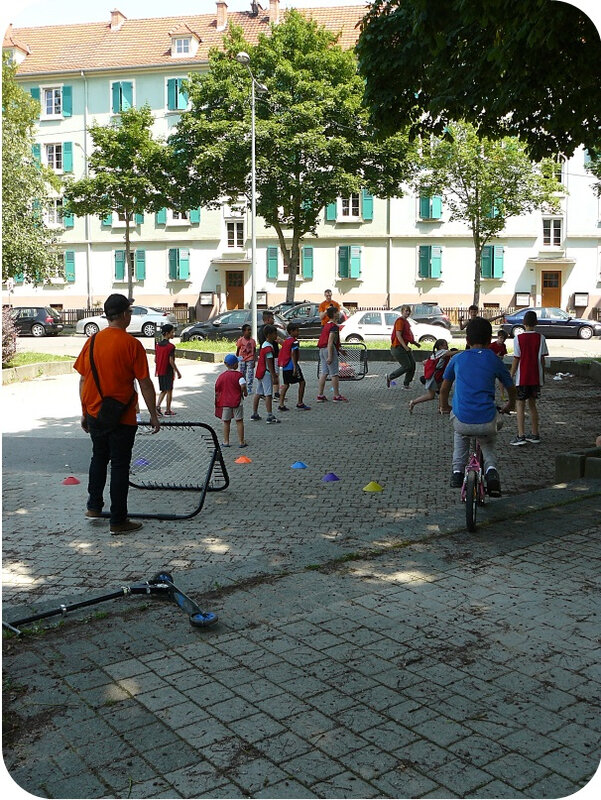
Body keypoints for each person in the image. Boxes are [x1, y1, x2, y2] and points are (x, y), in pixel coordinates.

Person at [74, 294, 160, 534]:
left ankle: (93, 507)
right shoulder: (132, 345)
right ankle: (118, 520)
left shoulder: (91, 342)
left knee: (98, 458)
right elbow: (144, 383)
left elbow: (83, 379)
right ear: (123, 314)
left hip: (95, 412)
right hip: (122, 415)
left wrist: (84, 411)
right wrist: (154, 414)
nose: (131, 315)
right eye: (130, 312)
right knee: (120, 466)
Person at [439, 316, 516, 497]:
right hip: (487, 420)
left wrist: (445, 407)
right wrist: (510, 404)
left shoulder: (457, 359)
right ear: (490, 340)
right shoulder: (495, 360)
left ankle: (457, 472)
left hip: (463, 420)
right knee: (488, 441)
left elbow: (443, 389)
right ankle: (491, 471)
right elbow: (511, 387)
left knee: (460, 434)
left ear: (466, 340)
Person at [510, 310, 548, 445]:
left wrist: (511, 374)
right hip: (536, 377)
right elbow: (543, 359)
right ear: (536, 323)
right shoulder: (541, 338)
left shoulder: (518, 338)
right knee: (533, 405)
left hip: (523, 377)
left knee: (520, 404)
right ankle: (535, 433)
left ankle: (521, 435)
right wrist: (542, 375)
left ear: (523, 323)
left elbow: (516, 359)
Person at [409, 339, 456, 413]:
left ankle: (442, 407)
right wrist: (465, 351)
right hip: (434, 377)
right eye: (445, 345)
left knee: (443, 391)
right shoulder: (443, 352)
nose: (447, 346)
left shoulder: (435, 353)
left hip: (433, 376)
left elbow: (424, 362)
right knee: (432, 395)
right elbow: (452, 353)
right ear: (440, 346)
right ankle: (414, 402)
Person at [316, 306, 348, 402]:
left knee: (324, 372)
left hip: (322, 349)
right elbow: (330, 342)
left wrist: (340, 349)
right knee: (334, 373)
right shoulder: (333, 327)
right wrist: (330, 356)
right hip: (328, 350)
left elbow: (332, 341)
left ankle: (320, 395)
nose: (339, 313)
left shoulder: (327, 325)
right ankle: (336, 395)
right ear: (334, 314)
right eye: (337, 312)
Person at [215, 353, 248, 447]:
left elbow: (217, 386)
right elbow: (243, 385)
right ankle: (241, 441)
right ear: (235, 365)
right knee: (239, 421)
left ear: (226, 364)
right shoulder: (239, 375)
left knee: (226, 421)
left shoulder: (222, 376)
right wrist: (244, 392)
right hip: (237, 401)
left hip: (225, 402)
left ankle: (226, 441)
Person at [385, 305, 421, 390]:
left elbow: (407, 335)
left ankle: (406, 384)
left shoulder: (406, 322)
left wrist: (415, 343)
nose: (408, 313)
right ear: (402, 312)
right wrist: (405, 347)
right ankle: (390, 377)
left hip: (404, 347)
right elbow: (398, 335)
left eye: (409, 311)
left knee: (412, 364)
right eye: (406, 311)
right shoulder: (400, 321)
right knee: (407, 366)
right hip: (398, 347)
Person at [277, 322, 311, 411]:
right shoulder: (294, 341)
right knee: (302, 382)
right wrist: (295, 367)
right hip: (292, 366)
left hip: (285, 366)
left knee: (286, 385)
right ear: (291, 331)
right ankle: (300, 402)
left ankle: (281, 404)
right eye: (297, 331)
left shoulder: (286, 341)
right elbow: (293, 354)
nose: (298, 332)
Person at [251, 324, 280, 424]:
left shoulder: (264, 345)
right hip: (266, 373)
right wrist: (274, 375)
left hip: (260, 372)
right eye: (274, 333)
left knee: (258, 392)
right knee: (268, 394)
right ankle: (269, 415)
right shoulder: (268, 347)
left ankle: (254, 413)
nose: (276, 335)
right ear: (269, 335)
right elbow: (269, 361)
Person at [155, 324, 181, 416]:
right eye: (172, 332)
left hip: (160, 371)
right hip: (168, 371)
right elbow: (171, 361)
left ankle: (160, 407)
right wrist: (177, 371)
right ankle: (165, 409)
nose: (173, 334)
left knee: (164, 389)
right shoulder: (171, 347)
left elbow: (155, 359)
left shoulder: (158, 345)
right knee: (168, 390)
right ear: (167, 333)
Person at [258, 309, 281, 398]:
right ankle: (275, 393)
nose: (274, 320)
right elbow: (278, 340)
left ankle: (263, 392)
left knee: (266, 374)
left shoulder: (261, 329)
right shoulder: (270, 331)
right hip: (273, 356)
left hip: (264, 355)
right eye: (272, 318)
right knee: (274, 374)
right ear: (267, 320)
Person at [489, 328, 509, 401]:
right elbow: (489, 355)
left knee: (501, 381)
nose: (502, 340)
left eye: (504, 339)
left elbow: (503, 355)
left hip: (499, 364)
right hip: (491, 365)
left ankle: (502, 395)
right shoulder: (492, 345)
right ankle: (491, 395)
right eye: (501, 338)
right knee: (492, 380)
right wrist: (496, 356)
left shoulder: (503, 346)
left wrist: (500, 357)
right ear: (498, 337)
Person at [236, 323, 256, 395]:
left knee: (250, 374)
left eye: (250, 330)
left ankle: (249, 387)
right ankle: (242, 386)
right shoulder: (240, 340)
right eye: (248, 330)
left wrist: (254, 360)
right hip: (242, 359)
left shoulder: (252, 341)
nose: (250, 331)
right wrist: (237, 359)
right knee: (242, 373)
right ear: (244, 332)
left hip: (250, 359)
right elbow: (238, 350)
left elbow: (254, 350)